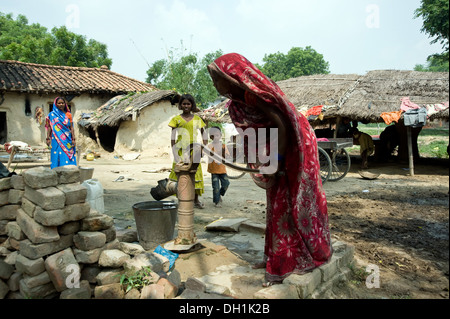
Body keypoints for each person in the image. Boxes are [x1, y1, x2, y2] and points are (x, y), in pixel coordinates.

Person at [207, 53, 332, 285]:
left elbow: (283, 125)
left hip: (293, 146)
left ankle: (289, 260)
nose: (215, 85)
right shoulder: (238, 102)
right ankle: (274, 257)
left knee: (289, 204)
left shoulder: (254, 96)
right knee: (276, 204)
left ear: (231, 76)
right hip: (279, 147)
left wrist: (277, 159)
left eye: (217, 79)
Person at [168, 94, 207, 209]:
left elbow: (203, 133)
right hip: (180, 150)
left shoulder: (197, 119)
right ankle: (182, 200)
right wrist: (174, 152)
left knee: (194, 173)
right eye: (184, 103)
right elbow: (173, 137)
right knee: (180, 173)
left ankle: (195, 200)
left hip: (194, 150)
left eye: (188, 104)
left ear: (192, 105)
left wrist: (204, 147)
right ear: (180, 105)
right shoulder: (176, 119)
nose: (186, 106)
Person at [45, 97, 77, 169]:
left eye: (62, 103)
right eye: (59, 103)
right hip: (56, 138)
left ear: (65, 104)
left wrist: (73, 139)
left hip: (67, 139)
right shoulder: (52, 115)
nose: (61, 104)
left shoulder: (68, 114)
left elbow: (71, 127)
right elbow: (50, 127)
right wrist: (47, 138)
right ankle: (56, 169)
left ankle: (69, 170)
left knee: (67, 154)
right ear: (55, 104)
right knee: (57, 153)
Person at [207, 127, 230, 208]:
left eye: (218, 135)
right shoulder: (209, 146)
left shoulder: (224, 146)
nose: (216, 137)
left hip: (222, 170)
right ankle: (217, 201)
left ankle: (219, 194)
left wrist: (224, 153)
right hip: (214, 170)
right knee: (215, 187)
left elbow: (227, 156)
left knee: (226, 184)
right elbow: (205, 154)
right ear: (211, 137)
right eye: (214, 135)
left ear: (220, 135)